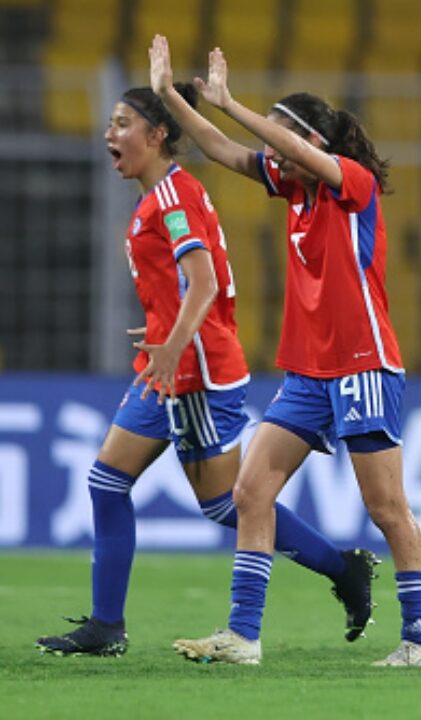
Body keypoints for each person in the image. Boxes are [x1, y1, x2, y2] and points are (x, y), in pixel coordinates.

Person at [35, 82, 372, 657]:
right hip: (170, 364)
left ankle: (342, 569)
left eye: (122, 123)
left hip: (193, 370)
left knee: (223, 503)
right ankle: (107, 626)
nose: (110, 135)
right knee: (112, 483)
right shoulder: (166, 192)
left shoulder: (172, 197)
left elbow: (206, 281)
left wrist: (170, 347)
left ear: (157, 135)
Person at [149, 35, 421, 667]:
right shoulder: (294, 188)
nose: (272, 152)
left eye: (283, 139)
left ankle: (419, 640)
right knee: (251, 491)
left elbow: (277, 143)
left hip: (364, 364)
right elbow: (221, 149)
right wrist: (173, 95)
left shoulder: (348, 184)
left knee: (386, 507)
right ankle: (243, 636)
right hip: (308, 372)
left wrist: (231, 101)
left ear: (311, 144)